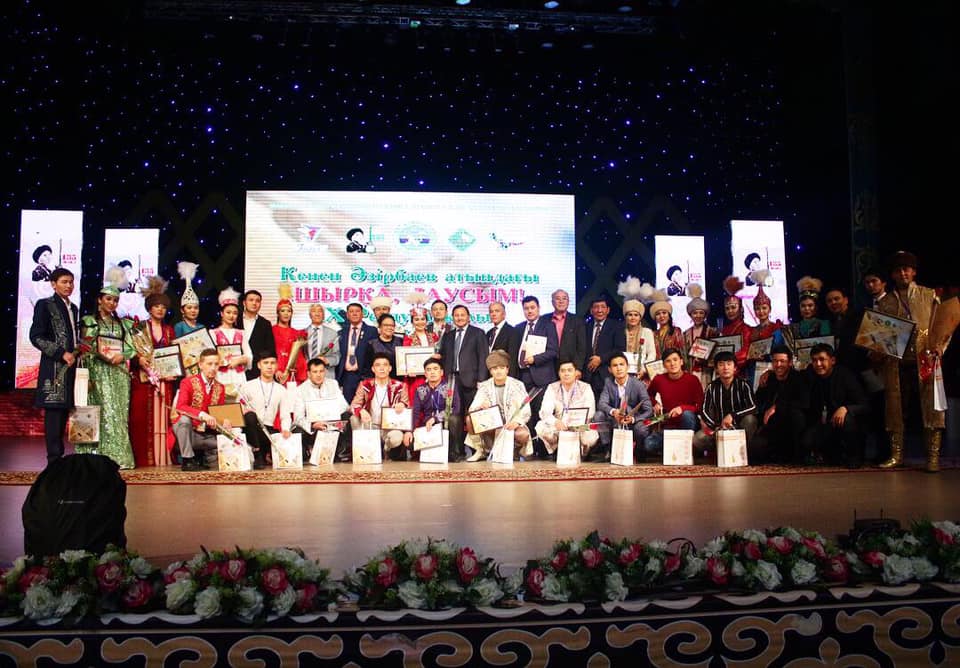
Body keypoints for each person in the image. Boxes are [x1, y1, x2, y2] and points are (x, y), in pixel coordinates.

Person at [876, 251, 944, 472]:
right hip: (896, 363)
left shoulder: (928, 294)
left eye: (906, 269)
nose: (902, 273)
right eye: (898, 270)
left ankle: (933, 456)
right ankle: (896, 455)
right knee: (895, 409)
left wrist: (940, 346)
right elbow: (879, 336)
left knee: (932, 407)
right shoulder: (885, 301)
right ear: (892, 275)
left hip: (925, 359)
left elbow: (942, 325)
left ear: (914, 271)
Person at [75, 280, 136, 469]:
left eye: (115, 300)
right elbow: (84, 347)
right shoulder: (89, 321)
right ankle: (88, 457)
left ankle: (118, 458)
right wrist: (96, 354)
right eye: (108, 299)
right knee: (91, 410)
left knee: (117, 414)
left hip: (118, 373)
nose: (112, 303)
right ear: (99, 300)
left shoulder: (123, 324)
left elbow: (132, 348)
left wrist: (122, 355)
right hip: (96, 371)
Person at [29, 267, 79, 465]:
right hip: (54, 368)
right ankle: (54, 461)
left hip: (72, 367)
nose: (68, 286)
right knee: (54, 414)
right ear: (53, 284)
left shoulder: (73, 308)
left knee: (65, 412)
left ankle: (61, 460)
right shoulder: (45, 305)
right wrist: (60, 353)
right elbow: (36, 336)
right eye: (64, 282)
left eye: (71, 282)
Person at [129, 276, 177, 468]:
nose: (160, 310)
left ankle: (164, 458)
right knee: (142, 419)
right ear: (149, 308)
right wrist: (138, 360)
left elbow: (174, 355)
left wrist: (173, 370)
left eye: (163, 307)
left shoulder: (169, 330)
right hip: (144, 380)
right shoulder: (139, 328)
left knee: (165, 418)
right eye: (157, 306)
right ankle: (144, 458)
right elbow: (131, 351)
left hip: (165, 380)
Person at [800, 343, 869, 468]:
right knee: (807, 440)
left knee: (846, 419)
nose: (818, 364)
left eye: (822, 359)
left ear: (832, 360)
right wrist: (769, 373)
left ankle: (853, 457)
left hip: (847, 422)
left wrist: (846, 408)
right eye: (814, 360)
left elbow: (865, 404)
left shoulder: (845, 376)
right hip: (825, 422)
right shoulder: (811, 375)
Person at [508, 295, 559, 453]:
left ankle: (542, 450)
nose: (529, 311)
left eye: (532, 308)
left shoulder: (548, 326)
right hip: (523, 377)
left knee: (541, 412)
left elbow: (553, 351)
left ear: (538, 308)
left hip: (543, 377)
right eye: (526, 308)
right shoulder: (518, 328)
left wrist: (534, 359)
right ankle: (529, 449)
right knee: (525, 413)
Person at [440, 304, 489, 459]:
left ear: (468, 317)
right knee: (455, 416)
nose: (459, 318)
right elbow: (443, 357)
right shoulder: (448, 336)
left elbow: (483, 357)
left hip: (472, 381)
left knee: (474, 415)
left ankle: (478, 450)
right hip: (452, 381)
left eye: (462, 315)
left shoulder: (478, 333)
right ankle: (457, 451)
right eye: (456, 315)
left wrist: (481, 380)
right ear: (452, 318)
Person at [465, 350, 532, 461]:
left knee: (522, 434)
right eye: (495, 369)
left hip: (511, 423)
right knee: (470, 419)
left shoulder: (518, 385)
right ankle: (481, 450)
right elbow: (472, 408)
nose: (498, 371)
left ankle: (513, 451)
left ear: (507, 369)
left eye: (502, 368)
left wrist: (517, 422)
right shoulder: (485, 386)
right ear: (490, 371)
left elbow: (525, 409)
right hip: (493, 425)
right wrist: (481, 407)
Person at [694, 350, 758, 461]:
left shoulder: (744, 385)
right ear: (716, 369)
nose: (725, 367)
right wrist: (716, 426)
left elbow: (753, 407)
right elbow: (704, 411)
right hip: (718, 429)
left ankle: (740, 454)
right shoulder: (711, 387)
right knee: (698, 439)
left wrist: (732, 415)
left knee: (750, 420)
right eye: (721, 364)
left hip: (739, 428)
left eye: (729, 364)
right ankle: (721, 452)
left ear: (735, 368)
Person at [172, 348, 230, 471]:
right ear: (200, 365)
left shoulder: (220, 387)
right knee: (184, 419)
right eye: (209, 364)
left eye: (216, 364)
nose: (213, 368)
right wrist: (202, 414)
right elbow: (180, 407)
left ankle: (201, 456)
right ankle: (187, 460)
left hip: (205, 434)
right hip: (187, 432)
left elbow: (218, 413)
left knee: (230, 442)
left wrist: (223, 421)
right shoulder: (187, 382)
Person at [752, 345, 808, 464]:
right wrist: (761, 386)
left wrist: (777, 406)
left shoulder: (799, 378)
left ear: (790, 363)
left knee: (795, 415)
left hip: (791, 423)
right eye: (775, 361)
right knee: (756, 448)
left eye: (782, 361)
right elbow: (757, 400)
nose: (778, 365)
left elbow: (803, 402)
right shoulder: (769, 378)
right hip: (771, 424)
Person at [643, 348, 704, 457]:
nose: (672, 364)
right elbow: (647, 395)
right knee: (649, 444)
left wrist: (683, 408)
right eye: (668, 361)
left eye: (675, 360)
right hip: (670, 425)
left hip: (689, 423)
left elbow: (701, 405)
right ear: (664, 365)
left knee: (687, 415)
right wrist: (654, 403)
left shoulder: (692, 379)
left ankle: (682, 449)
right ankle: (677, 449)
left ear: (681, 361)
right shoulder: (659, 379)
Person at [350, 352, 410, 461]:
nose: (382, 368)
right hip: (370, 425)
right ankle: (367, 448)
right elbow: (354, 405)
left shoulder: (400, 386)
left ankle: (386, 448)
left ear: (390, 368)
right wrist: (361, 411)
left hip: (389, 427)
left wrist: (402, 405)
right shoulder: (365, 385)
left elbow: (407, 407)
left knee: (397, 438)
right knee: (354, 418)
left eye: (385, 365)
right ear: (373, 369)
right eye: (378, 365)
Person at [595, 352, 654, 462]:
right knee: (599, 415)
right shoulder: (608, 382)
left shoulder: (638, 384)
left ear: (627, 367)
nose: (619, 368)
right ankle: (608, 449)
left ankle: (639, 451)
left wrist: (633, 419)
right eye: (615, 365)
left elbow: (648, 409)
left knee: (640, 429)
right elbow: (602, 403)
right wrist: (614, 412)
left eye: (621, 364)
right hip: (615, 419)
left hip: (633, 420)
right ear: (610, 370)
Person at [536, 359, 599, 460]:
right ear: (559, 373)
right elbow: (545, 412)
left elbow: (590, 412)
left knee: (591, 435)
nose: (566, 374)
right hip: (559, 425)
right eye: (563, 371)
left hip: (580, 425)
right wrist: (556, 422)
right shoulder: (552, 387)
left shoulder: (586, 387)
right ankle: (557, 449)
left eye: (569, 370)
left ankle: (583, 452)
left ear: (576, 373)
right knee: (540, 427)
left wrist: (576, 424)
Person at [239, 351, 293, 469]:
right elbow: (239, 409)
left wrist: (285, 429)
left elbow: (285, 415)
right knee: (250, 416)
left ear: (277, 365)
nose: (269, 366)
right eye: (266, 363)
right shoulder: (247, 386)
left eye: (272, 363)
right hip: (250, 428)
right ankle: (258, 453)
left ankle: (263, 454)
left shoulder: (281, 390)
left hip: (267, 430)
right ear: (259, 365)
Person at [291, 357, 350, 463]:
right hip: (313, 427)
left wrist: (332, 419)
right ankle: (309, 451)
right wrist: (312, 425)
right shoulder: (300, 390)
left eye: (321, 371)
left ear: (325, 372)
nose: (318, 375)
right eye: (315, 372)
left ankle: (340, 452)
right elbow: (298, 417)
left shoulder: (333, 384)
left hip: (332, 424)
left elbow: (344, 406)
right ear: (309, 374)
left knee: (347, 416)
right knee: (298, 430)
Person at [405, 357, 463, 462]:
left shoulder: (449, 387)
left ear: (441, 372)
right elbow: (415, 413)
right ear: (425, 374)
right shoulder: (420, 390)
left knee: (454, 419)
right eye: (429, 370)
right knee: (409, 442)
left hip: (445, 425)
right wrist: (410, 431)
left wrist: (436, 418)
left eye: (435, 369)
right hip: (428, 427)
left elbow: (456, 408)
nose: (432, 372)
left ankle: (453, 453)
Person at [210, 287, 251, 400]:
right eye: (228, 312)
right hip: (221, 374)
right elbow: (211, 355)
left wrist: (239, 360)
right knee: (221, 401)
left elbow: (249, 355)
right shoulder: (214, 333)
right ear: (221, 313)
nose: (231, 316)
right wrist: (222, 361)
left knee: (239, 403)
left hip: (238, 375)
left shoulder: (241, 333)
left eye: (235, 313)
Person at [582, 296, 626, 399]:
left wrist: (601, 359)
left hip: (607, 374)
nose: (599, 310)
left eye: (602, 307)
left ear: (608, 310)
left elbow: (620, 349)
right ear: (591, 310)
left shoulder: (616, 326)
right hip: (587, 376)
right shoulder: (585, 326)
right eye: (596, 307)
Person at [336, 302, 377, 406]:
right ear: (347, 315)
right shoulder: (341, 332)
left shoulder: (372, 331)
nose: (354, 314)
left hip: (365, 375)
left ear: (362, 314)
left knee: (366, 405)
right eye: (351, 311)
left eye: (357, 311)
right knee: (348, 406)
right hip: (347, 376)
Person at [402, 294, 440, 400]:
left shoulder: (434, 337)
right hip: (416, 378)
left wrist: (439, 356)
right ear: (412, 322)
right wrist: (408, 370)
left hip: (434, 376)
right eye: (416, 319)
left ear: (426, 321)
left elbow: (440, 354)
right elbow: (404, 360)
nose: (420, 322)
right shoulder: (408, 339)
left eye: (423, 319)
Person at [682, 284, 719, 389]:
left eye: (701, 313)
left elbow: (717, 353)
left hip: (707, 373)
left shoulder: (712, 332)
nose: (698, 316)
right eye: (695, 313)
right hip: (690, 371)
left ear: (705, 315)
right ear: (690, 315)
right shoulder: (685, 334)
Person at [546, 289, 587, 376]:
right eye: (557, 298)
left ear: (568, 302)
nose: (561, 301)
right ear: (552, 302)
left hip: (570, 367)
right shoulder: (544, 319)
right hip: (548, 367)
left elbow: (582, 347)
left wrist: (578, 368)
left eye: (564, 298)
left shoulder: (578, 321)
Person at [272, 285, 306, 385]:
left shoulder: (297, 333)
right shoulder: (271, 330)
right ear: (278, 313)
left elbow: (299, 356)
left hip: (292, 374)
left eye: (289, 311)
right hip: (275, 373)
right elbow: (269, 352)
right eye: (282, 311)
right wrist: (276, 369)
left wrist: (294, 368)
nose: (286, 314)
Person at [299, 303, 340, 382]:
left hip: (326, 375)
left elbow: (337, 356)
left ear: (323, 315)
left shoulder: (333, 333)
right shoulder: (301, 333)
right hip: (306, 375)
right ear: (310, 315)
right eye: (314, 311)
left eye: (320, 311)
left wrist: (326, 360)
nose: (317, 314)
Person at [720, 276, 752, 374]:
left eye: (733, 307)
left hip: (741, 373)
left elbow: (745, 354)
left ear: (741, 309)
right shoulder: (723, 330)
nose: (730, 311)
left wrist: (727, 361)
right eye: (727, 308)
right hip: (724, 371)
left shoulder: (747, 329)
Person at [241, 289, 276, 380]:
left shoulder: (265, 324)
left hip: (255, 371)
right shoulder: (235, 320)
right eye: (251, 300)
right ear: (244, 303)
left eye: (257, 301)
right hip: (235, 369)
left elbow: (270, 349)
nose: (254, 303)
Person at [363, 313, 404, 380]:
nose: (389, 328)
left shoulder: (401, 341)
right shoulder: (371, 344)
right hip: (378, 381)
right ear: (379, 326)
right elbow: (367, 368)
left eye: (392, 325)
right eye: (386, 325)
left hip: (399, 381)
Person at [650, 294, 687, 366]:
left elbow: (682, 352)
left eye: (664, 313)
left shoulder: (676, 331)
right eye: (658, 314)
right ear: (655, 318)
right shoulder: (653, 334)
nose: (661, 316)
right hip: (657, 367)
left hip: (673, 366)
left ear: (669, 316)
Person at [174, 261, 204, 338]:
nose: (193, 310)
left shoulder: (201, 327)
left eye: (196, 308)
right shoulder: (179, 326)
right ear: (182, 310)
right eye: (189, 308)